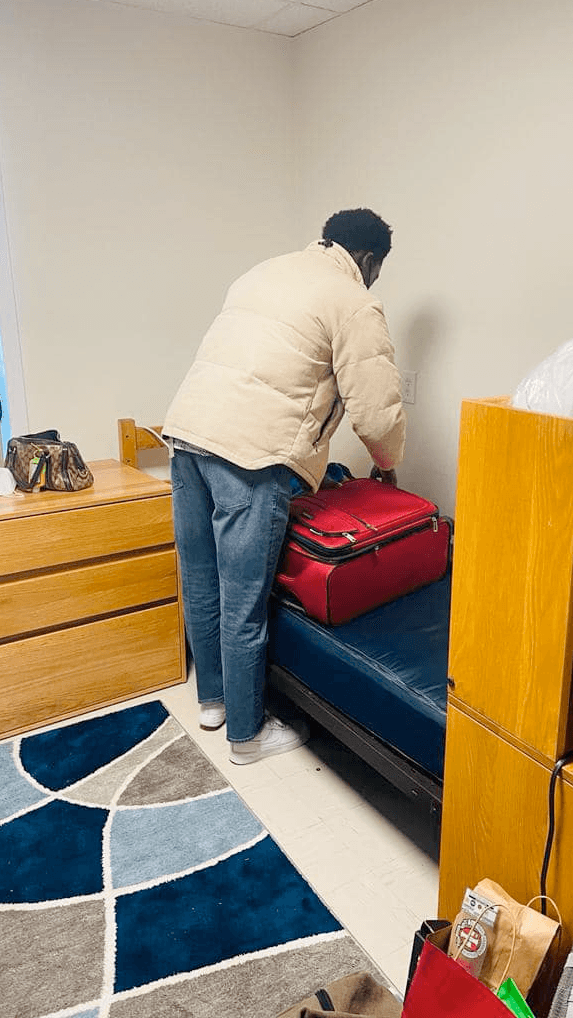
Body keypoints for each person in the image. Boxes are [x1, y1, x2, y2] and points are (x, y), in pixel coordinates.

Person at [163, 208, 406, 764]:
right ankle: (247, 737)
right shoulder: (354, 300)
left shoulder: (263, 272)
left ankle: (213, 702)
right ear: (367, 260)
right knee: (245, 601)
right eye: (377, 269)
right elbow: (376, 411)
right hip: (252, 454)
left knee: (203, 583)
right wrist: (386, 463)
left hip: (187, 434)